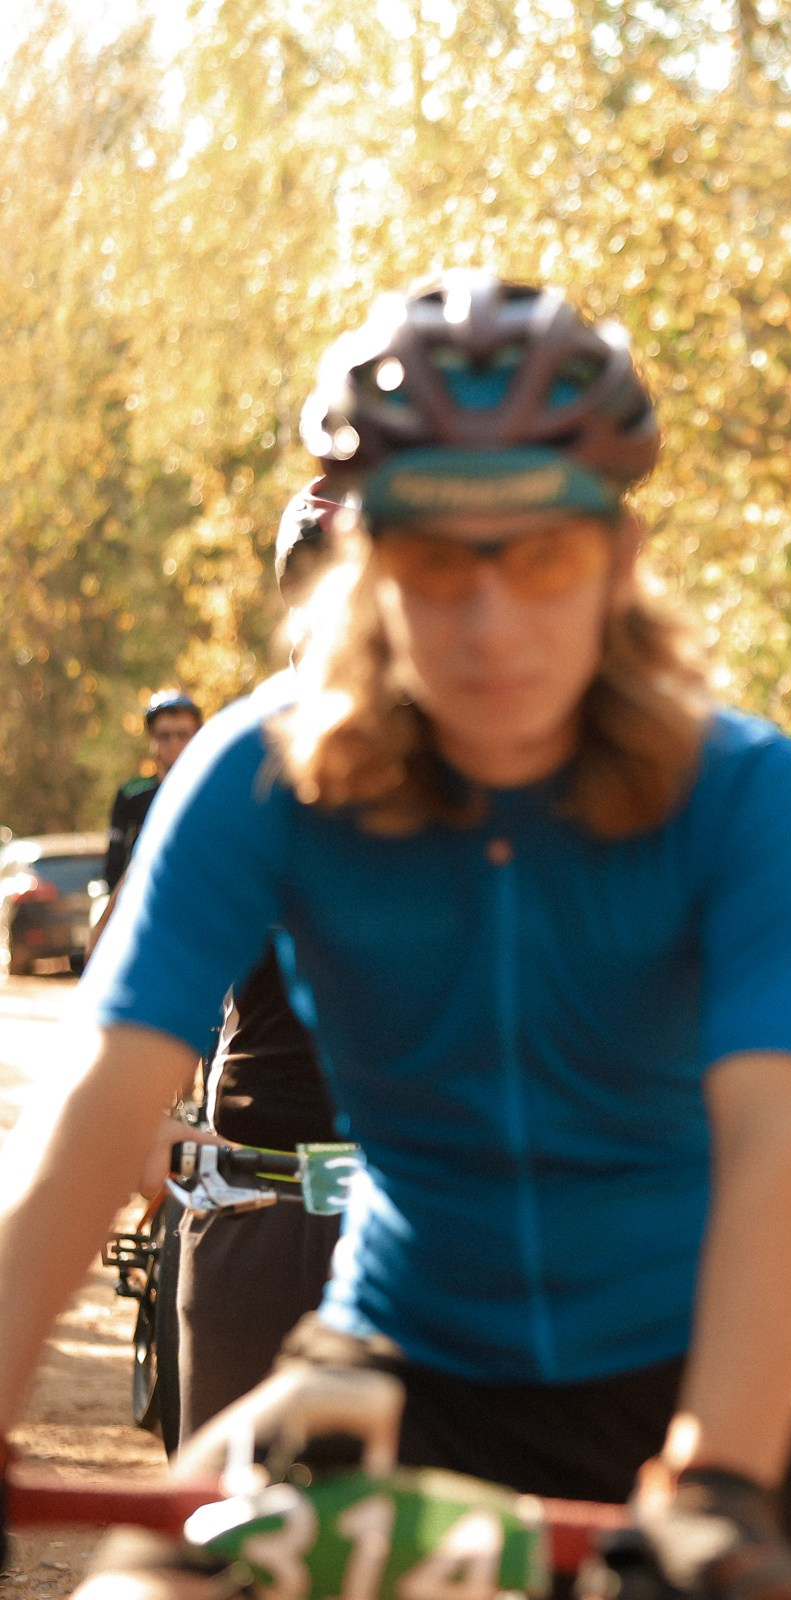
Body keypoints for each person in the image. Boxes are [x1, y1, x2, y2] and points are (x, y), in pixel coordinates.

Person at [0, 269, 791, 1598]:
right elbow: (106, 1097)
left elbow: (778, 1152)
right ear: (366, 566)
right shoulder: (258, 773)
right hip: (392, 1370)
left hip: (679, 1390)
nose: (490, 623)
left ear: (618, 562)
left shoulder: (747, 791)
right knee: (138, 1586)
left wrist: (725, 1471)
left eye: (544, 558)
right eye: (436, 563)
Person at [170, 483, 347, 1444]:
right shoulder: (240, 755)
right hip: (260, 1189)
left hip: (438, 1225)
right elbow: (123, 1019)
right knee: (216, 1532)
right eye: (319, 579)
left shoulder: (493, 772)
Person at [101, 691, 204, 896]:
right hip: (147, 901)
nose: (174, 743)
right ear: (152, 739)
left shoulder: (213, 791)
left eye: (183, 735)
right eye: (164, 736)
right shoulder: (131, 794)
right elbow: (114, 862)